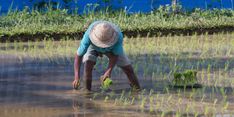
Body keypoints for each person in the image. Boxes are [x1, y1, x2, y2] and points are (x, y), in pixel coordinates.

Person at [73, 20, 140, 91]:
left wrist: (108, 71)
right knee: (88, 66)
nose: (102, 46)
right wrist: (77, 77)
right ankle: (87, 92)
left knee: (128, 69)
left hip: (111, 48)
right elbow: (79, 55)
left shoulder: (118, 36)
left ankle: (137, 90)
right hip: (92, 46)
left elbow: (115, 55)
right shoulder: (88, 36)